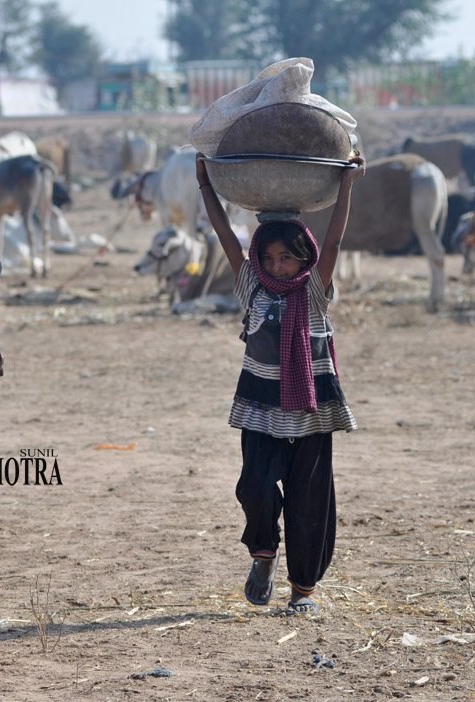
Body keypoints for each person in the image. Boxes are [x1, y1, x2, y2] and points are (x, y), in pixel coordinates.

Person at [196, 152, 366, 615]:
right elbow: (225, 236)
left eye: (286, 258)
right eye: (268, 258)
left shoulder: (315, 288)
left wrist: (346, 185)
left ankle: (303, 592)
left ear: (304, 258)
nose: (277, 266)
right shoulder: (251, 284)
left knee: (310, 503)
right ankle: (263, 553)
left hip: (311, 410)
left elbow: (332, 243)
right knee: (253, 486)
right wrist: (207, 186)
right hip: (261, 405)